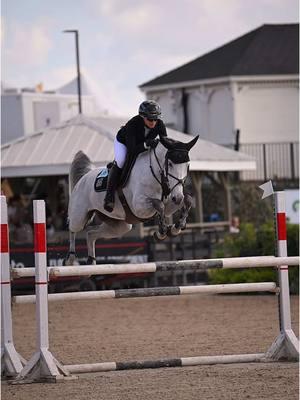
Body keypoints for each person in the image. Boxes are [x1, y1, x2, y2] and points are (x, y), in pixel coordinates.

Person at [104, 100, 168, 212]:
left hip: (143, 144)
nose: (153, 122)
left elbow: (165, 142)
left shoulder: (160, 124)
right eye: (150, 119)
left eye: (155, 119)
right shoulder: (132, 125)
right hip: (124, 143)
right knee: (121, 161)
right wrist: (146, 144)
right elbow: (132, 149)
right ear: (143, 117)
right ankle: (109, 197)